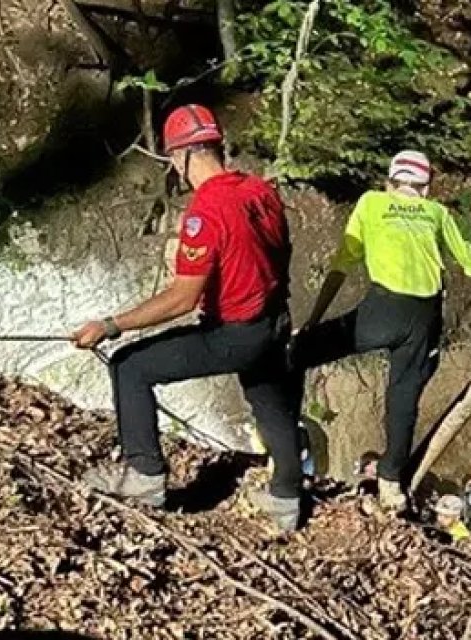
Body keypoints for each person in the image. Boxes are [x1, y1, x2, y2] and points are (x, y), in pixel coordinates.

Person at [71, 104, 302, 531]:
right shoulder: (260, 191)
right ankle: (286, 500)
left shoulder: (206, 212)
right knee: (270, 403)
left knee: (130, 366)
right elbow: (282, 250)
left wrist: (110, 326)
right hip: (273, 322)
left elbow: (182, 298)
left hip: (234, 332)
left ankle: (144, 475)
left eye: (173, 158)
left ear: (181, 156)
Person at [293, 150, 471, 513]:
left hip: (382, 309)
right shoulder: (436, 213)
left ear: (389, 183)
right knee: (403, 400)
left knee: (299, 353)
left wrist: (313, 320)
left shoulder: (371, 202)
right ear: (426, 188)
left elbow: (341, 265)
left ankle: (284, 442)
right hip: (423, 316)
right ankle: (390, 483)